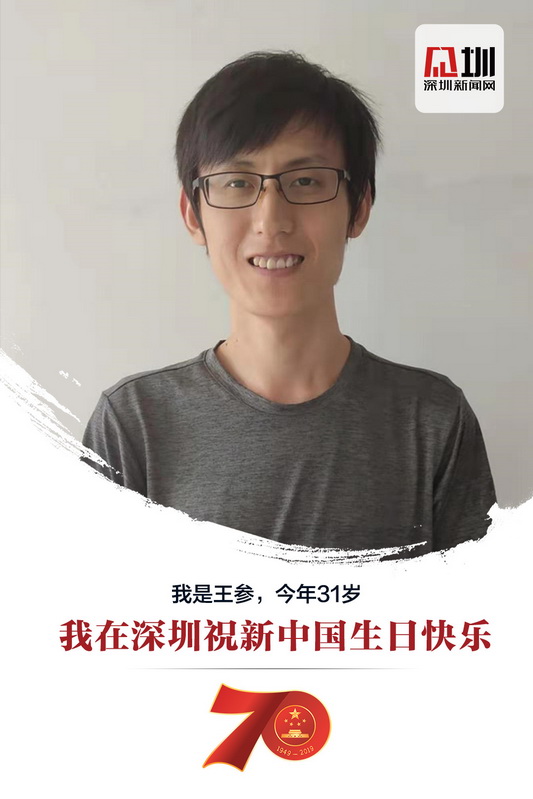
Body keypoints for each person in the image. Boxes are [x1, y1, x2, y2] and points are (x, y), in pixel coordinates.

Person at [83, 50, 496, 556]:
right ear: (193, 215)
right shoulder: (133, 424)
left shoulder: (432, 419)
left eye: (305, 181)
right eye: (237, 182)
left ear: (359, 207)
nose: (271, 220)